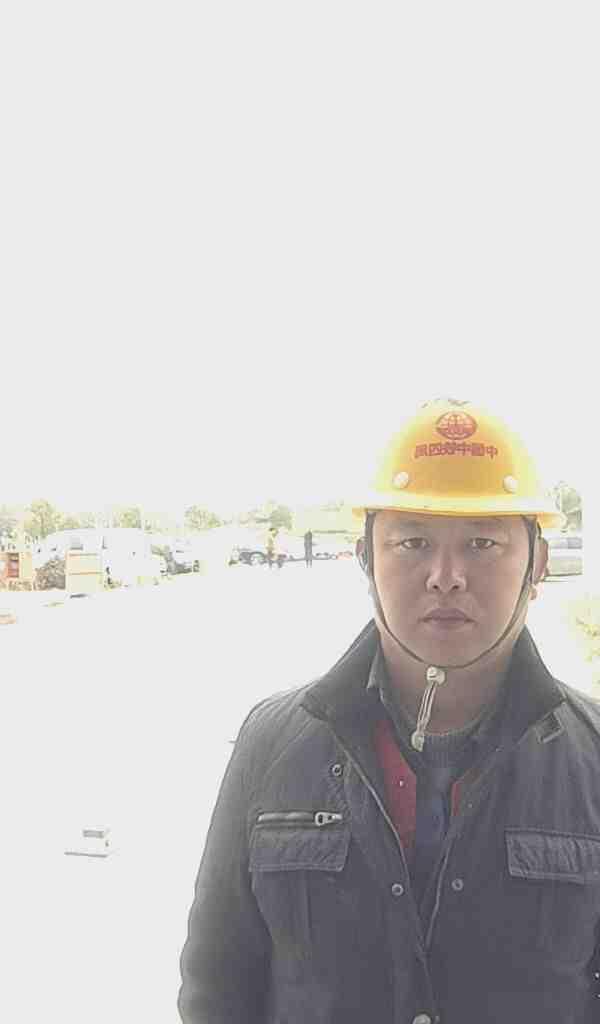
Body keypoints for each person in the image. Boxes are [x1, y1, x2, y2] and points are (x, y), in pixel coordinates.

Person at [178, 397, 600, 1024]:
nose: (446, 576)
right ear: (365, 557)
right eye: (413, 542)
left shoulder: (592, 760)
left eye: (483, 542)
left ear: (536, 563)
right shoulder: (272, 744)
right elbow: (216, 989)